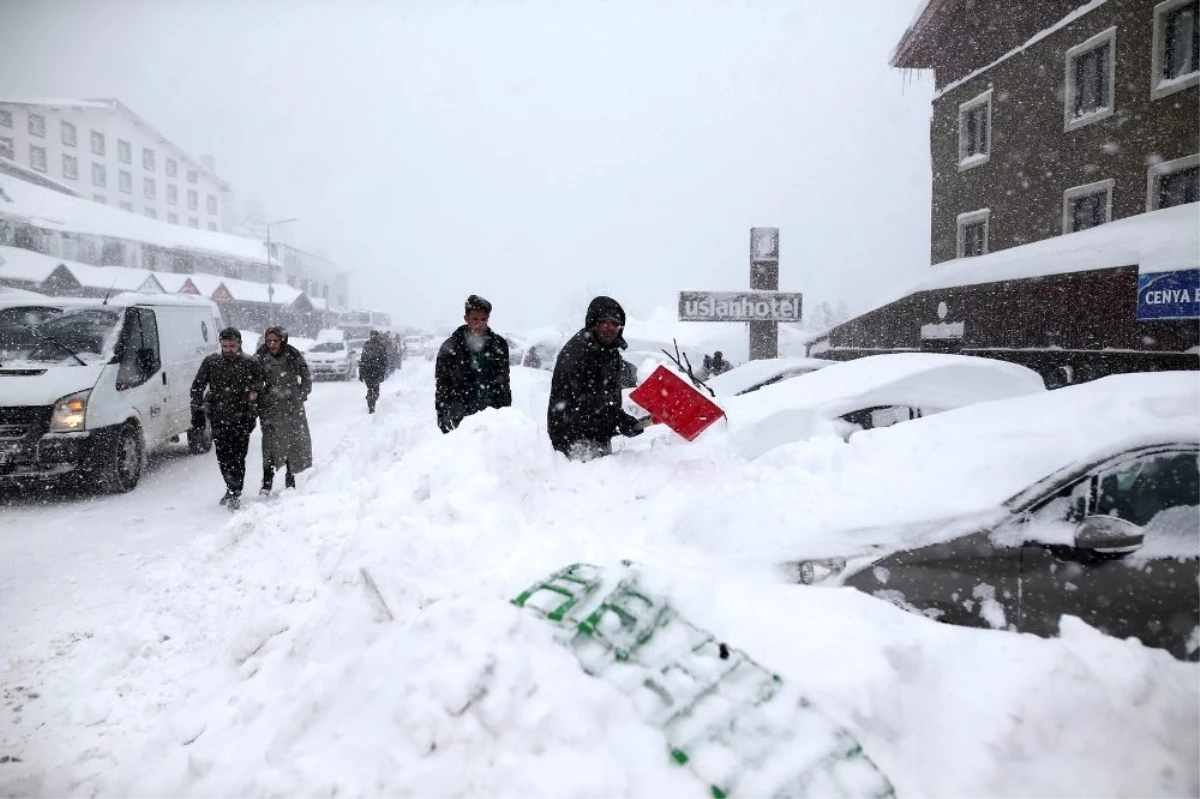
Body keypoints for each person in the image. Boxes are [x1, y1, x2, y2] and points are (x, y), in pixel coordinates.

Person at [547, 296, 647, 460]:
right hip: (574, 439)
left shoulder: (608, 350)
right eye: (605, 322)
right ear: (594, 323)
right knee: (586, 483)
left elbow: (607, 393)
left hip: (597, 435)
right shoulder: (578, 351)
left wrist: (619, 419)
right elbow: (585, 400)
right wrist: (619, 419)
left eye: (615, 324)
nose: (610, 328)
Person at [190, 327, 265, 509]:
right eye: (225, 346)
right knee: (223, 457)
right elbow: (197, 386)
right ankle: (230, 488)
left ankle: (235, 491)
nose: (229, 349)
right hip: (218, 417)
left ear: (240, 343)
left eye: (233, 345)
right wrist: (197, 411)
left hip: (242, 417)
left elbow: (260, 383)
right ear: (220, 345)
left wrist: (254, 393)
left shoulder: (250, 362)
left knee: (238, 457)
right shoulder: (211, 362)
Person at [435, 294, 512, 433]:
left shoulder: (499, 346)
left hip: (491, 419)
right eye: (475, 319)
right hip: (460, 418)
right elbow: (442, 385)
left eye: (483, 319)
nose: (479, 324)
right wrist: (443, 416)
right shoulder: (450, 347)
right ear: (466, 319)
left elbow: (504, 383)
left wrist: (506, 414)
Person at [256, 326, 313, 494]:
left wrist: (302, 393)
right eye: (269, 341)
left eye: (275, 341)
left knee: (292, 441)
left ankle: (291, 477)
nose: (272, 344)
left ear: (282, 340)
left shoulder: (292, 354)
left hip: (291, 405)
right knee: (270, 444)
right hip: (270, 406)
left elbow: (306, 375)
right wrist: (257, 394)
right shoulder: (260, 356)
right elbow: (252, 377)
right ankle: (267, 481)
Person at [358, 330, 390, 413]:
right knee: (374, 390)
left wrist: (361, 373)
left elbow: (363, 360)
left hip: (370, 371)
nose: (373, 337)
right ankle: (371, 404)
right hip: (375, 371)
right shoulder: (379, 345)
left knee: (370, 389)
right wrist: (382, 372)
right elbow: (384, 361)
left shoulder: (368, 345)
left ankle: (370, 401)